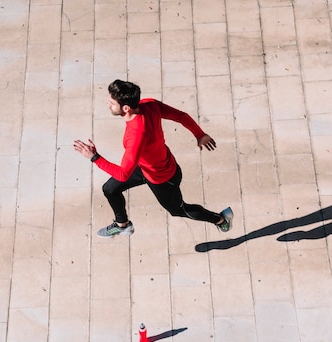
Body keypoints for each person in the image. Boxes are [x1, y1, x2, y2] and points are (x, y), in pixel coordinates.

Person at [73, 79, 233, 238]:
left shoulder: (135, 136)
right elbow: (181, 116)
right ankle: (123, 225)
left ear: (126, 108)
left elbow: (123, 174)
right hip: (145, 167)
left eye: (112, 103)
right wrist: (200, 134)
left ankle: (220, 219)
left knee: (179, 210)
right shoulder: (150, 104)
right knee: (110, 189)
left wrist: (94, 157)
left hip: (163, 178)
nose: (108, 105)